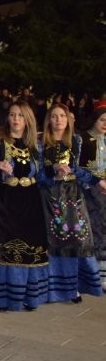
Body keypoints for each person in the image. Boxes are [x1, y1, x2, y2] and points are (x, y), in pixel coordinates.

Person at [0, 101, 49, 311]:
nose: (16, 119)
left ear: (27, 119)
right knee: (4, 246)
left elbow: (43, 176)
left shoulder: (36, 145)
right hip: (4, 200)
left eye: (20, 115)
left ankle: (29, 297)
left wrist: (57, 172)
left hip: (30, 200)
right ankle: (3, 298)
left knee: (30, 246)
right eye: (12, 114)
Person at [39, 103, 106, 303]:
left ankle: (74, 286)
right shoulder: (41, 142)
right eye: (54, 116)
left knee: (78, 239)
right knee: (54, 241)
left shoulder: (75, 140)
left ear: (68, 119)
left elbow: (77, 169)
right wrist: (54, 173)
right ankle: (54, 287)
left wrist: (97, 181)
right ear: (48, 120)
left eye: (62, 116)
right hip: (50, 196)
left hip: (73, 195)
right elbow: (39, 174)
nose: (58, 120)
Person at [79, 100, 106, 287]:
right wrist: (93, 184)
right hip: (89, 190)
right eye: (102, 119)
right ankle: (97, 272)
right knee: (95, 228)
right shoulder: (82, 139)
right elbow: (78, 167)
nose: (105, 124)